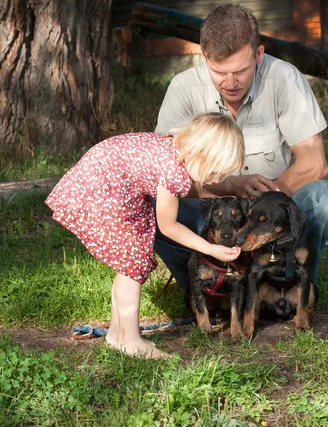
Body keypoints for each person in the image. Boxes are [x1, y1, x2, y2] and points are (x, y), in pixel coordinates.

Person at [155, 4, 328, 289]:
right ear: (204, 56)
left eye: (241, 71)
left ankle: (293, 285)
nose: (230, 82)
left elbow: (314, 163)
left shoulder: (284, 79)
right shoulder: (183, 88)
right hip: (212, 213)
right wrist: (229, 186)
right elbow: (164, 177)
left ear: (258, 54)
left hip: (276, 205)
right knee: (146, 209)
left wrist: (265, 205)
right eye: (219, 72)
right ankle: (207, 292)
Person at [45, 113, 245, 359]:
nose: (215, 180)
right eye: (215, 172)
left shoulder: (174, 146)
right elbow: (169, 226)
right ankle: (130, 339)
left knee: (127, 264)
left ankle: (118, 334)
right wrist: (211, 249)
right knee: (132, 264)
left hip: (105, 178)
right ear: (199, 151)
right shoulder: (173, 171)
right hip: (105, 187)